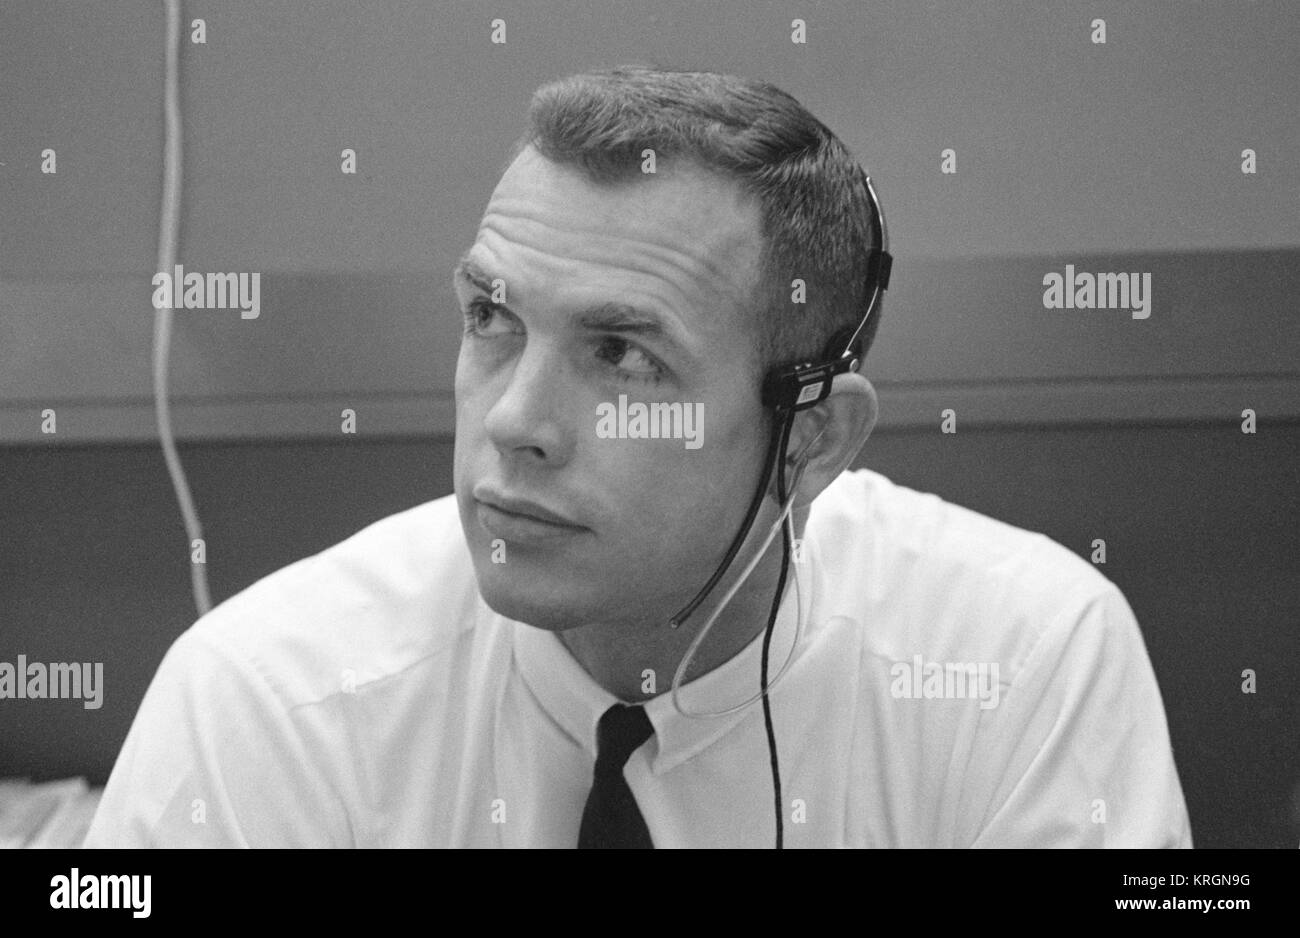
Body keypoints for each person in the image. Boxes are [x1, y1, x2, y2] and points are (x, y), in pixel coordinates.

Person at [85, 66, 1192, 848]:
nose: (514, 421)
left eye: (622, 355)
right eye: (491, 318)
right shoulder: (268, 699)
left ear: (808, 439)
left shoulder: (1021, 665)